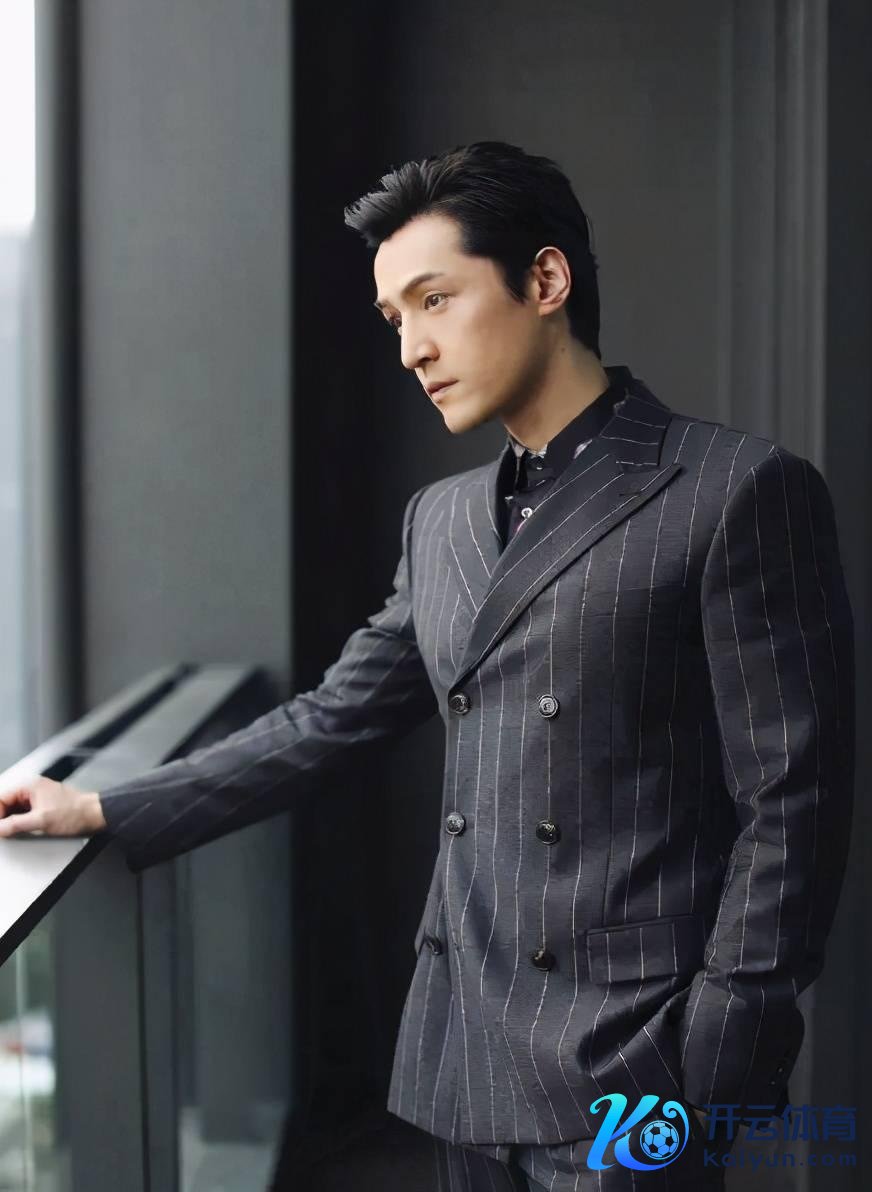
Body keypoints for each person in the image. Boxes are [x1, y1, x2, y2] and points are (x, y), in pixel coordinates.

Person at [0, 141, 855, 1191]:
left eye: (434, 299)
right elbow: (331, 719)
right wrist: (106, 807)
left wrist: (722, 1049)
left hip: (638, 1058)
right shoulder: (442, 520)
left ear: (545, 281)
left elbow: (791, 801)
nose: (411, 347)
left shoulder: (732, 488)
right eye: (393, 317)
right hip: (466, 1047)